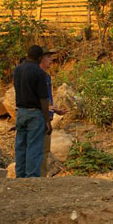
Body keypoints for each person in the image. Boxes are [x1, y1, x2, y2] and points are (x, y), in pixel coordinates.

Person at [13, 45, 52, 178]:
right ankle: (31, 178)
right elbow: (43, 98)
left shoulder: (17, 70)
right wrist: (47, 121)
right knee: (34, 147)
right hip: (35, 113)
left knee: (21, 146)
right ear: (40, 57)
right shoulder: (39, 73)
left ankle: (20, 175)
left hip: (21, 111)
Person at [39, 46, 68, 177]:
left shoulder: (47, 76)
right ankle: (37, 179)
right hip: (40, 118)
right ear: (41, 59)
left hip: (46, 116)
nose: (51, 60)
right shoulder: (38, 76)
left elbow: (46, 99)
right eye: (48, 57)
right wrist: (47, 110)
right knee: (41, 151)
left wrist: (54, 109)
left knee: (44, 151)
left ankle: (39, 178)